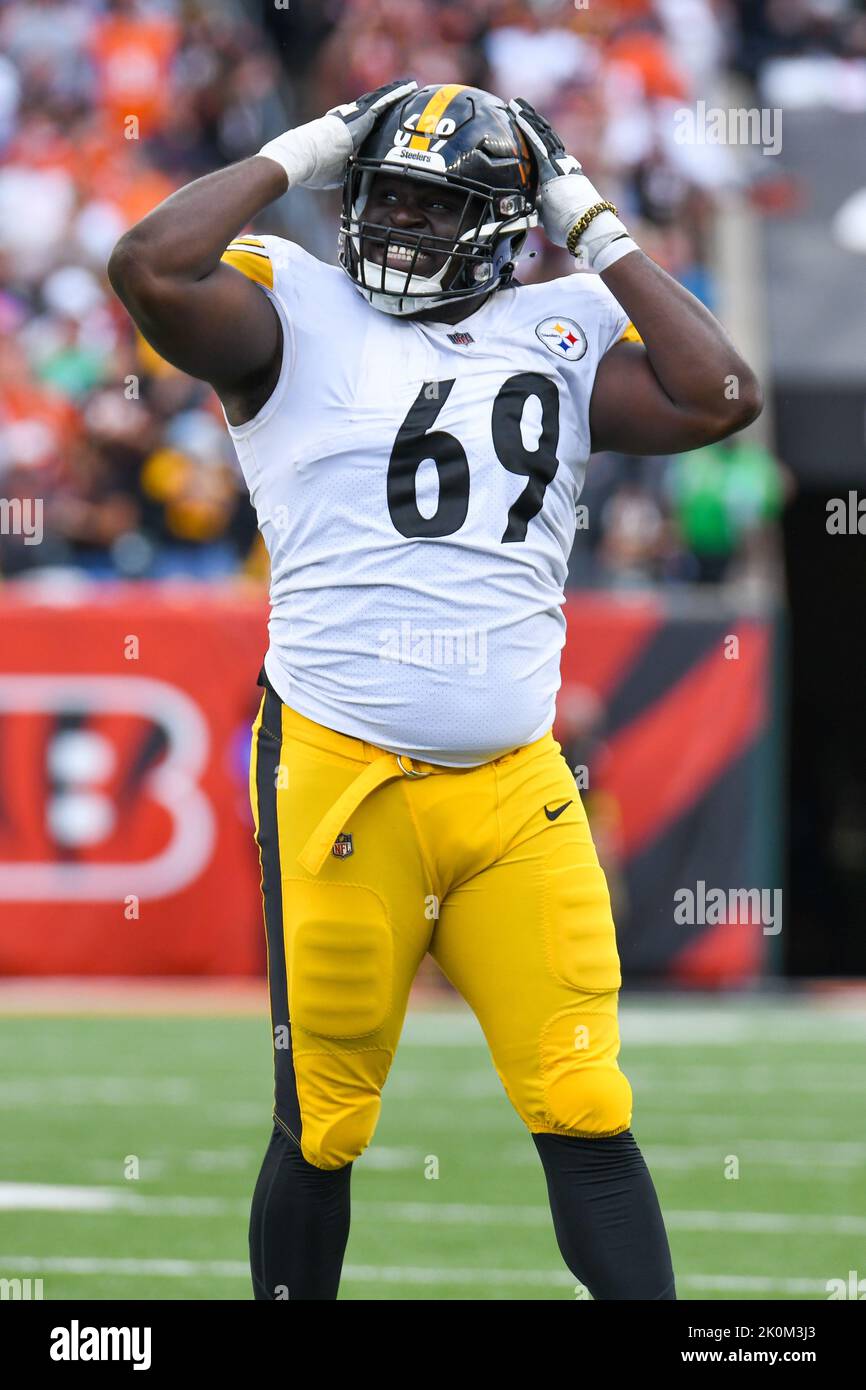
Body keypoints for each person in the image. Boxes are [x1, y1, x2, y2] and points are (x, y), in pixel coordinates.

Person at [108, 79, 762, 1301]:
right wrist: (310, 148)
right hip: (341, 773)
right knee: (326, 1120)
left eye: (431, 203)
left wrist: (589, 219)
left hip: (517, 790)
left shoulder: (558, 328)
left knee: (584, 1102)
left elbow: (722, 393)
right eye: (385, 196)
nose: (398, 225)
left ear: (506, 226)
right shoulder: (290, 315)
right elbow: (148, 263)